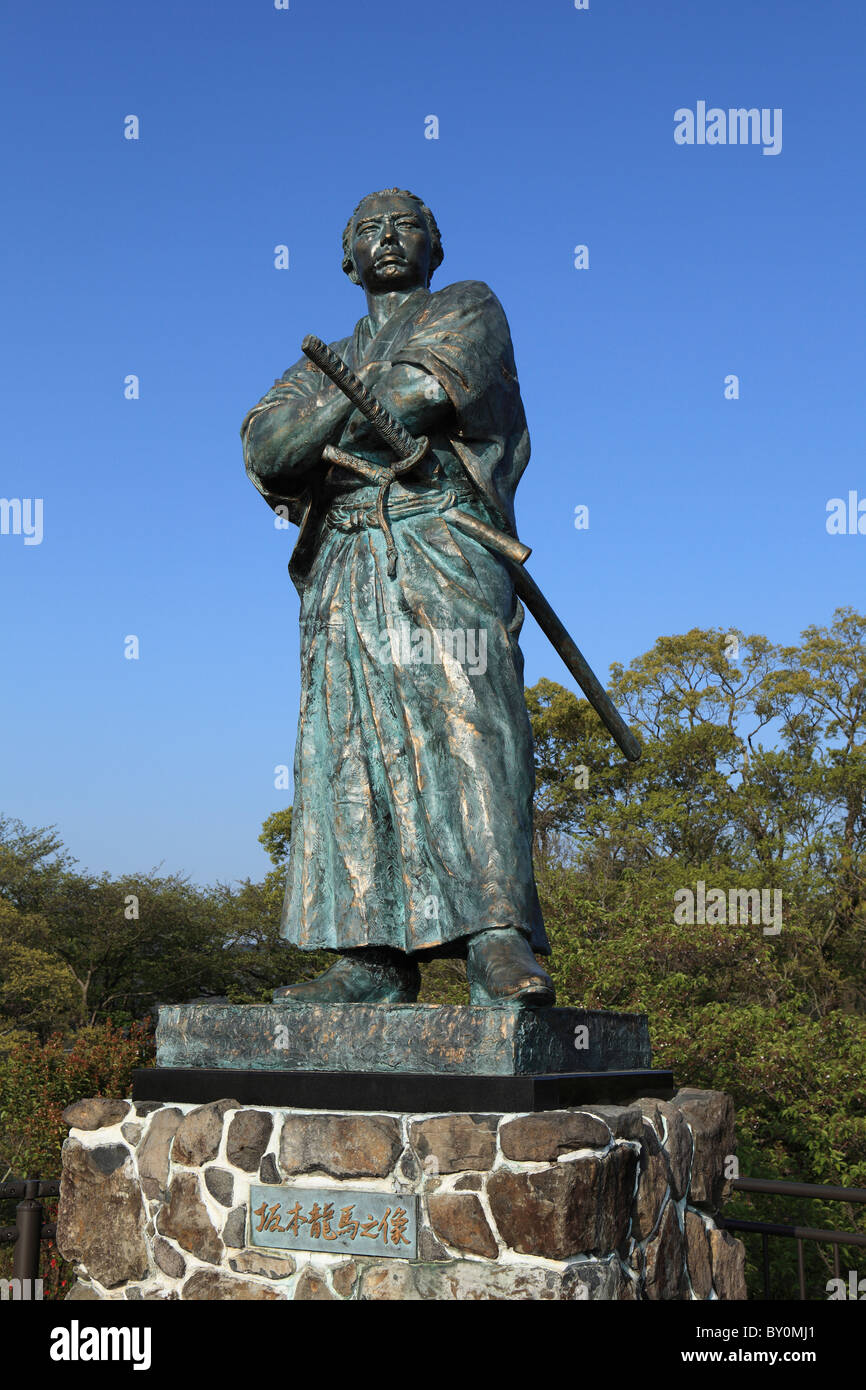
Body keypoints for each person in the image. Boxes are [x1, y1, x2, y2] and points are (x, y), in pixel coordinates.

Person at [241, 187, 554, 1007]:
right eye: (367, 229)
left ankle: (497, 937)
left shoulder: (467, 306)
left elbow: (419, 399)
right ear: (346, 257)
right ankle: (370, 958)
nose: (386, 237)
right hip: (345, 559)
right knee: (346, 747)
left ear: (433, 245)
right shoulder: (311, 364)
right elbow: (268, 451)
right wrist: (349, 408)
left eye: (404, 224)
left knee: (470, 723)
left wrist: (328, 412)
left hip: (441, 536)